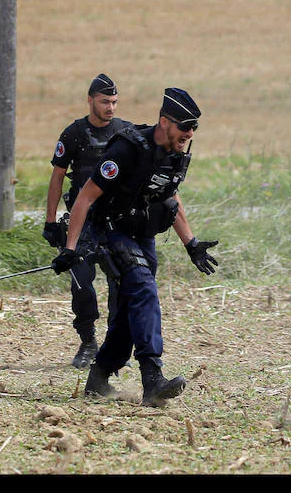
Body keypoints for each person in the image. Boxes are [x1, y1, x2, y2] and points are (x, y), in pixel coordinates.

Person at [51, 88, 220, 407]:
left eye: (193, 128)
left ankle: (99, 375)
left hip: (142, 234)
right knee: (144, 290)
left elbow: (170, 197)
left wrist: (192, 243)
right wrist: (71, 248)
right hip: (111, 231)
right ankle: (152, 377)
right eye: (184, 126)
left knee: (131, 309)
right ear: (164, 121)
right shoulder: (128, 149)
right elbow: (86, 197)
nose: (189, 134)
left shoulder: (175, 152)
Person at [43, 73, 133, 368]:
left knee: (121, 285)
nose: (111, 107)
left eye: (115, 102)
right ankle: (88, 341)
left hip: (116, 223)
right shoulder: (73, 134)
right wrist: (51, 221)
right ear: (90, 100)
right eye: (105, 101)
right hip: (81, 223)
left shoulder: (126, 132)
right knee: (81, 282)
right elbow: (57, 179)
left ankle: (115, 347)